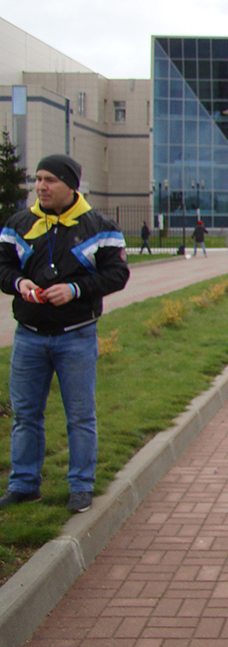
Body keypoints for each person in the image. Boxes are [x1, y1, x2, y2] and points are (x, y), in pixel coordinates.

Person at [0, 154, 129, 513]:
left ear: (71, 185)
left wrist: (75, 290)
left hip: (76, 336)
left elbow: (117, 274)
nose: (40, 186)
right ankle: (24, 484)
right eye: (38, 179)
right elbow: (3, 266)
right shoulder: (19, 224)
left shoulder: (99, 228)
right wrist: (19, 283)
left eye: (50, 180)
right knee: (25, 415)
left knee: (80, 417)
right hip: (28, 335)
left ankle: (81, 486)